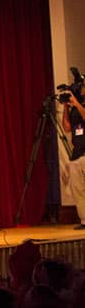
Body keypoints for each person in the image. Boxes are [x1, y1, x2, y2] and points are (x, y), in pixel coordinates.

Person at [60, 89, 85, 229]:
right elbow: (67, 127)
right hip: (76, 155)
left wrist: (76, 103)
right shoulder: (74, 110)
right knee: (79, 191)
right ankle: (84, 221)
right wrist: (65, 107)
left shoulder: (80, 107)